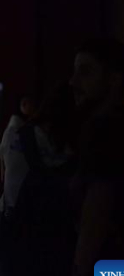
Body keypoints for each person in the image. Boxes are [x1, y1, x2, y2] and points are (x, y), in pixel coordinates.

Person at [0, 83, 78, 276]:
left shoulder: (17, 135)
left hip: (13, 224)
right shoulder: (75, 148)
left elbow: (5, 176)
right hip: (53, 232)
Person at [69, 38, 124, 275]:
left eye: (85, 72)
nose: (73, 82)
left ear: (114, 79)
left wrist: (81, 267)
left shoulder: (103, 131)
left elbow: (97, 210)